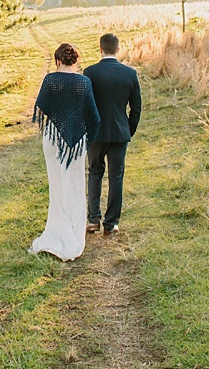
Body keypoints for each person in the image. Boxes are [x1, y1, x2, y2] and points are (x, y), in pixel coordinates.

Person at [29, 42, 100, 261]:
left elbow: (41, 108)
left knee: (57, 185)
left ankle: (56, 232)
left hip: (52, 138)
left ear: (58, 60)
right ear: (75, 61)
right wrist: (84, 135)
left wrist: (59, 114)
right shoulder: (84, 82)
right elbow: (94, 117)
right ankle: (74, 236)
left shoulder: (51, 80)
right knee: (76, 186)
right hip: (76, 143)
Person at [82, 33, 142, 237]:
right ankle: (111, 224)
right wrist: (128, 130)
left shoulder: (90, 72)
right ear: (118, 49)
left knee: (94, 173)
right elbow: (136, 109)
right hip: (119, 132)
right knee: (116, 176)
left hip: (96, 133)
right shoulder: (130, 74)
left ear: (100, 49)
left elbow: (85, 106)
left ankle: (92, 220)